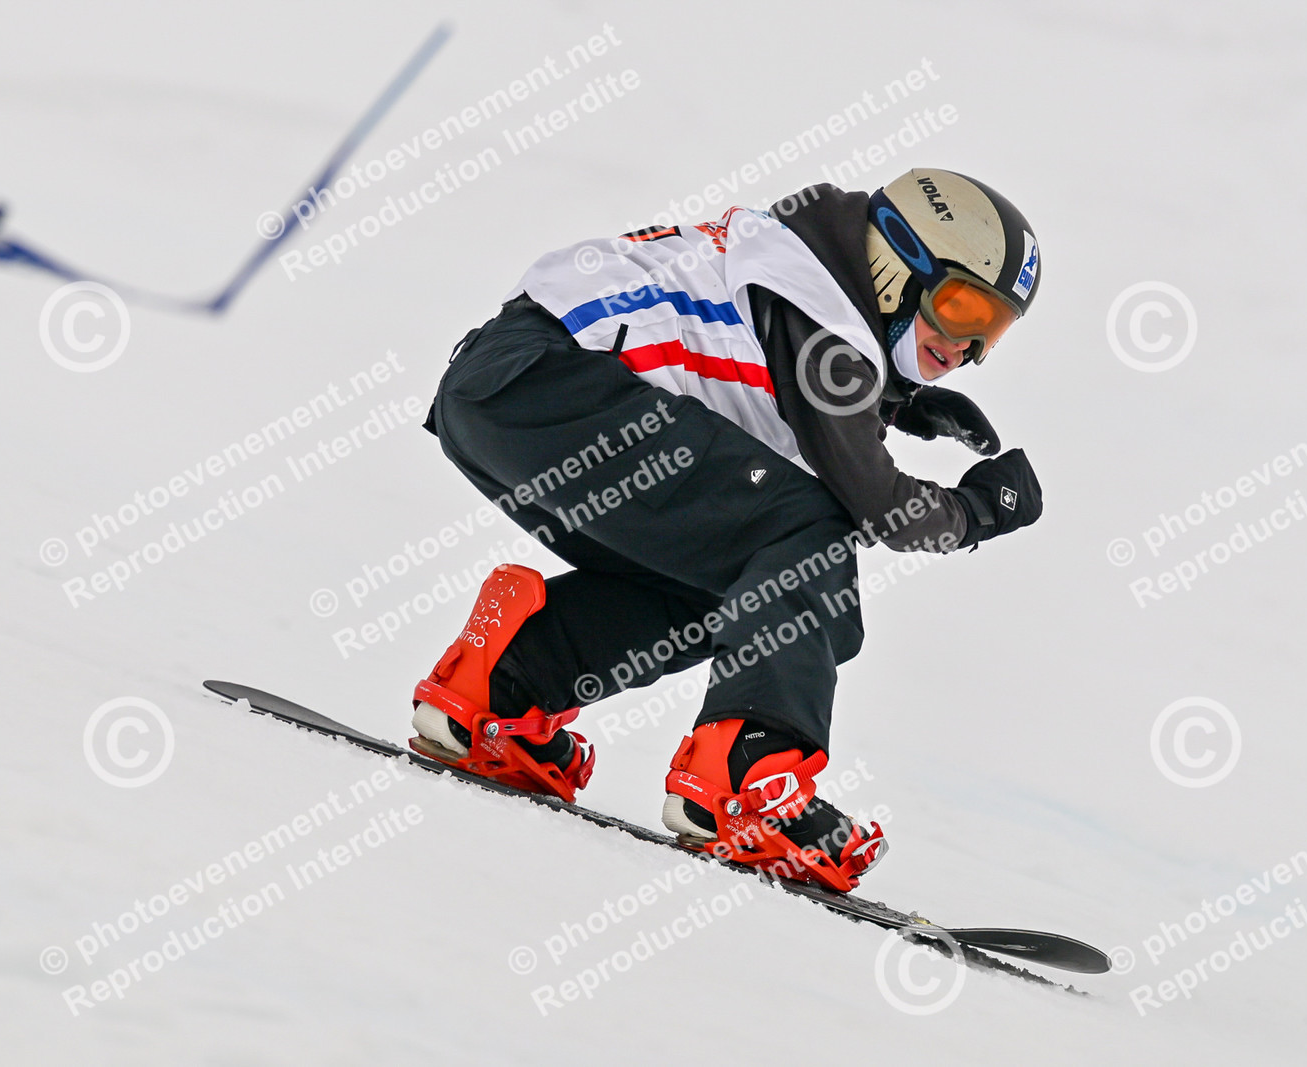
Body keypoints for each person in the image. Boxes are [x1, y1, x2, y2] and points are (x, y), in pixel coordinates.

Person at [408, 168, 1043, 892]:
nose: (967, 347)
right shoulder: (822, 311)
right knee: (810, 531)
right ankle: (748, 780)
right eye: (961, 307)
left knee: (742, 585)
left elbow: (750, 371)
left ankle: (503, 682)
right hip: (556, 387)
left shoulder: (799, 269)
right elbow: (879, 505)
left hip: (502, 390)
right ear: (896, 260)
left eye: (992, 330)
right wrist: (980, 510)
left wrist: (890, 404)